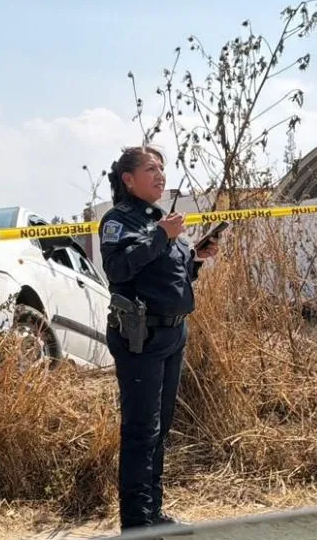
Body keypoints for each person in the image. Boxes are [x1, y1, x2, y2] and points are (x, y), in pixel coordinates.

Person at [98, 145, 219, 532]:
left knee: (160, 429)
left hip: (172, 333)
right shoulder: (119, 221)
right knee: (140, 430)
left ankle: (154, 514)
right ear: (128, 179)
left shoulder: (161, 221)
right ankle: (135, 523)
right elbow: (118, 267)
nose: (161, 174)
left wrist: (196, 258)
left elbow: (169, 276)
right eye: (151, 168)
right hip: (141, 336)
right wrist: (161, 236)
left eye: (162, 168)